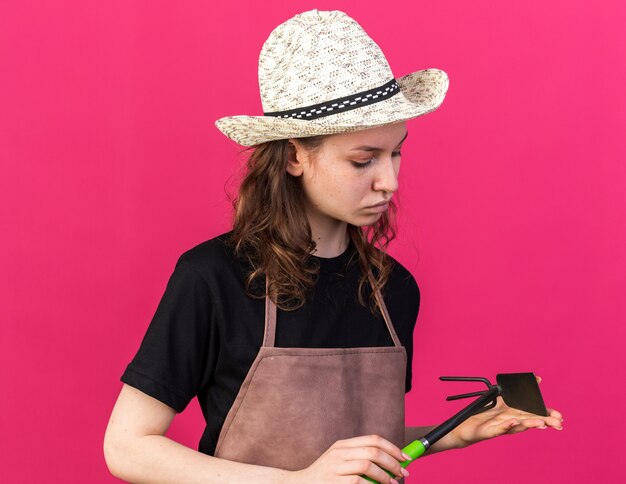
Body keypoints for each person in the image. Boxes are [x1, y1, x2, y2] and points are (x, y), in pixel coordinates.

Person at [103, 9, 563, 484]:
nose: (389, 181)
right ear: (295, 156)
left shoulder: (392, 288)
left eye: (396, 152)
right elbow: (127, 447)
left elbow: (353, 442)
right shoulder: (214, 277)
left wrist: (457, 432)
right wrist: (295, 483)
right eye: (363, 160)